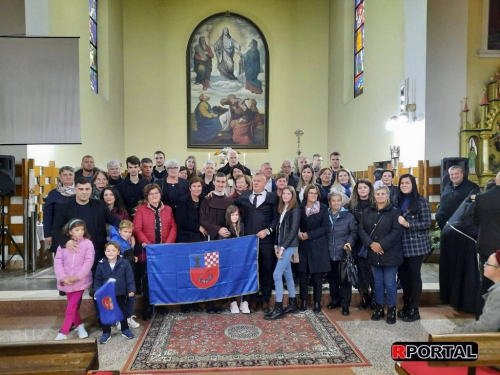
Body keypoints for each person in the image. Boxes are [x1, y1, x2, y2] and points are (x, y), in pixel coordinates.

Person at [52, 178, 121, 269]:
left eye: (87, 189)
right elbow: (55, 229)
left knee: (97, 280)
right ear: (75, 190)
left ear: (91, 190)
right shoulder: (64, 208)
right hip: (75, 251)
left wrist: (129, 233)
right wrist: (66, 241)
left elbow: (115, 221)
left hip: (98, 251)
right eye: (81, 189)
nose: (84, 192)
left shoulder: (100, 205)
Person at [234, 172, 278, 313]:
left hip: (266, 240)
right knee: (252, 270)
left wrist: (268, 231)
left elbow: (276, 219)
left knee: (266, 269)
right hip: (249, 241)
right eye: (254, 181)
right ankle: (252, 300)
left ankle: (265, 300)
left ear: (265, 183)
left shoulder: (273, 197)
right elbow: (231, 204)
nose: (256, 183)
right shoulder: (245, 196)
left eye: (259, 181)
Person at [359, 185, 403, 325]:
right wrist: (372, 245)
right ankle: (378, 307)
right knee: (377, 282)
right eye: (378, 194)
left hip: (390, 254)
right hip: (373, 253)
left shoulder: (395, 212)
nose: (380, 196)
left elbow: (396, 232)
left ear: (388, 196)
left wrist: (381, 245)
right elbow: (362, 230)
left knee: (390, 282)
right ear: (374, 196)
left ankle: (391, 309)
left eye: (383, 194)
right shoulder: (367, 211)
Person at [134, 183, 177, 320]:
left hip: (164, 251)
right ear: (147, 196)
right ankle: (147, 307)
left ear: (160, 194)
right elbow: (137, 229)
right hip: (149, 251)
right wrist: (149, 246)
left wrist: (167, 245)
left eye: (156, 193)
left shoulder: (168, 209)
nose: (154, 196)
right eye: (151, 194)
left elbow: (173, 227)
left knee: (162, 279)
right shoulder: (141, 210)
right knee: (148, 281)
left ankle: (161, 306)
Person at [396, 174, 431, 322]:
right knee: (403, 278)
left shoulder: (421, 201)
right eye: (402, 183)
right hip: (400, 245)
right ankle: (407, 305)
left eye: (407, 183)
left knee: (414, 276)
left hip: (415, 245)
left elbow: (427, 223)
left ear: (413, 185)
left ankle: (415, 310)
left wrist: (408, 224)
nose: (404, 185)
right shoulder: (396, 201)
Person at [53, 219, 94, 341]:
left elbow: (88, 262)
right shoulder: (64, 244)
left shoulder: (88, 244)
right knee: (73, 307)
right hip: (66, 281)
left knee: (71, 306)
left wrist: (76, 277)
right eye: (77, 230)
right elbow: (58, 261)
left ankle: (64, 331)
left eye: (82, 229)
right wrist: (63, 277)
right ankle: (80, 326)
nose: (80, 232)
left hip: (79, 281)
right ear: (70, 232)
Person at [199, 172, 234, 313]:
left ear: (226, 183)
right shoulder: (207, 200)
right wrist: (217, 229)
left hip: (223, 240)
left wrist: (225, 231)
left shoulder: (229, 201)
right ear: (214, 182)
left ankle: (219, 303)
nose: (220, 184)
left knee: (221, 270)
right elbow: (203, 219)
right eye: (218, 181)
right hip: (210, 238)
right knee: (209, 270)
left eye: (223, 182)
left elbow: (231, 219)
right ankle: (209, 303)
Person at [265, 186, 300, 320]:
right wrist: (275, 245)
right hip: (280, 245)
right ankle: (292, 303)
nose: (285, 196)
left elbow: (293, 231)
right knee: (288, 274)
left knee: (277, 274)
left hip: (289, 245)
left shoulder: (295, 210)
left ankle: (278, 307)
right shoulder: (282, 209)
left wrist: (283, 248)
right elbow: (278, 229)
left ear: (292, 196)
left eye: (288, 194)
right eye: (284, 193)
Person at [297, 185, 332, 313]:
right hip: (303, 247)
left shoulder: (323, 208)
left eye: (315, 193)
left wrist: (309, 235)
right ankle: (304, 301)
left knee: (317, 277)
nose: (313, 195)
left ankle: (317, 302)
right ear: (306, 194)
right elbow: (295, 223)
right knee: (303, 276)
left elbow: (325, 228)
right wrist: (299, 233)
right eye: (311, 193)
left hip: (318, 246)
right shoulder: (299, 207)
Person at [94, 241, 135, 344]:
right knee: (106, 313)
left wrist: (131, 289)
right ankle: (106, 332)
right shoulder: (101, 265)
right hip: (106, 295)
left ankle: (125, 329)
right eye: (108, 250)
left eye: (113, 250)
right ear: (105, 252)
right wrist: (97, 291)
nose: (110, 252)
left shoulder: (124, 263)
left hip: (120, 293)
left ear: (118, 252)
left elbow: (129, 278)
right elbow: (97, 280)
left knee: (122, 311)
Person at [326, 190, 358, 316]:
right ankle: (335, 300)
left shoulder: (348, 216)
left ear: (342, 202)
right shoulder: (325, 215)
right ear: (329, 202)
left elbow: (354, 232)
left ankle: (345, 305)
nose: (336, 203)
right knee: (332, 280)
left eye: (338, 200)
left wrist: (349, 242)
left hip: (343, 254)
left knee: (344, 281)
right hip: (329, 253)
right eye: (333, 200)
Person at [453, 250, 500, 333]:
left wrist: (457, 332)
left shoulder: (498, 293)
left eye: (488, 264)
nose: (484, 266)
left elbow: (487, 326)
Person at [473, 171, 500, 315]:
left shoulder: (481, 197)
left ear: (496, 180)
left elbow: (476, 220)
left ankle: (481, 320)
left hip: (487, 246)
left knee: (485, 285)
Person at [109, 220, 140, 329]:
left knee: (131, 295)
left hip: (129, 272)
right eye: (125, 231)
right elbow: (115, 258)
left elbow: (127, 256)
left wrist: (133, 255)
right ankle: (119, 320)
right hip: (119, 274)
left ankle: (128, 317)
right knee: (120, 297)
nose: (127, 234)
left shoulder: (127, 241)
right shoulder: (114, 241)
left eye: (130, 232)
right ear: (120, 230)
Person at [350, 178, 375, 309]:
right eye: (360, 188)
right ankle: (365, 298)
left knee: (373, 273)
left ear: (370, 189)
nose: (362, 190)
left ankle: (375, 298)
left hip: (373, 243)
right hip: (359, 244)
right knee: (362, 273)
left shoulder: (375, 204)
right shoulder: (353, 205)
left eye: (365, 187)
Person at [221, 205, 249, 314]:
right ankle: (233, 302)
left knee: (244, 278)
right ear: (228, 216)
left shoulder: (242, 226)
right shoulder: (225, 227)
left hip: (242, 258)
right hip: (230, 259)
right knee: (231, 279)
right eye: (232, 215)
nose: (235, 217)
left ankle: (244, 301)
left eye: (236, 214)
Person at [435, 165, 480, 230]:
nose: (454, 176)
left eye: (456, 173)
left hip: (462, 228)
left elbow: (474, 208)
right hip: (445, 226)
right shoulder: (447, 187)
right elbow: (442, 204)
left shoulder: (472, 187)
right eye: (451, 174)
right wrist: (438, 216)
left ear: (462, 174)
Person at [43, 166, 75, 249]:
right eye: (65, 175)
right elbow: (48, 215)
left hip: (77, 230)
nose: (68, 177)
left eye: (70, 174)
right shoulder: (53, 194)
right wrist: (47, 234)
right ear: (60, 177)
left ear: (74, 177)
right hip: (58, 231)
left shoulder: (80, 191)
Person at [175, 177, 208, 244]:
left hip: (200, 238)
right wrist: (198, 227)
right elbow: (181, 221)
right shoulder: (182, 201)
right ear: (190, 188)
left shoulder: (204, 200)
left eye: (199, 186)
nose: (196, 189)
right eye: (194, 186)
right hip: (186, 238)